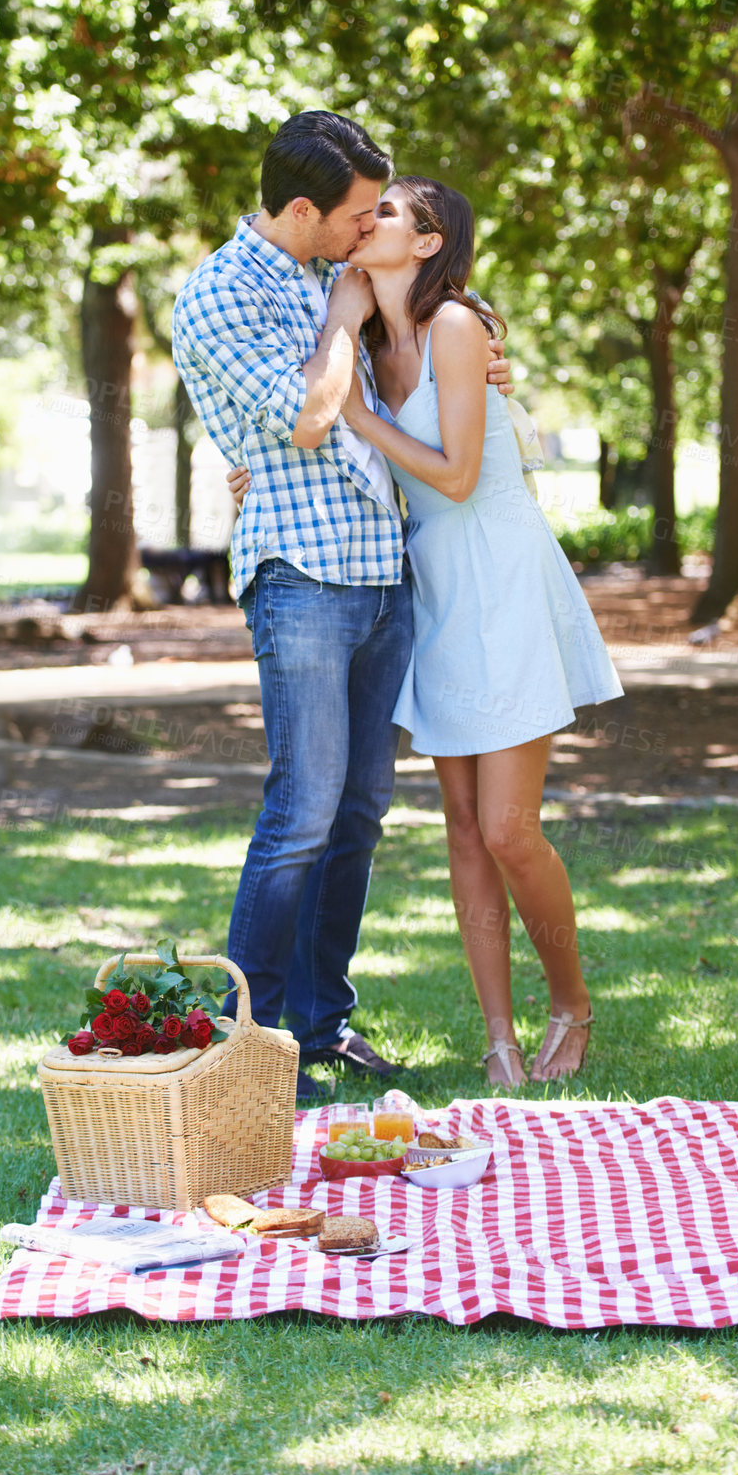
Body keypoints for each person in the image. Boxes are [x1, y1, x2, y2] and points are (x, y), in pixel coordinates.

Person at [172, 113, 513, 1099]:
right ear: (301, 210)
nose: (371, 230)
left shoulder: (341, 266)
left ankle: (321, 1027)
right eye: (359, 214)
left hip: (381, 573)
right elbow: (312, 417)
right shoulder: (220, 295)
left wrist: (483, 360)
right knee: (301, 812)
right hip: (303, 579)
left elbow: (440, 326)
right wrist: (339, 318)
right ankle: (253, 1046)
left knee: (359, 813)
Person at [333, 176, 623, 1088]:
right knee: (460, 828)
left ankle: (571, 1000)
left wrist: (359, 420)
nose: (361, 220)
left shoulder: (460, 327)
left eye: (382, 213)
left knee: (507, 828)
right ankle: (497, 1037)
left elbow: (458, 476)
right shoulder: (369, 344)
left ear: (426, 243)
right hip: (435, 593)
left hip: (501, 580)